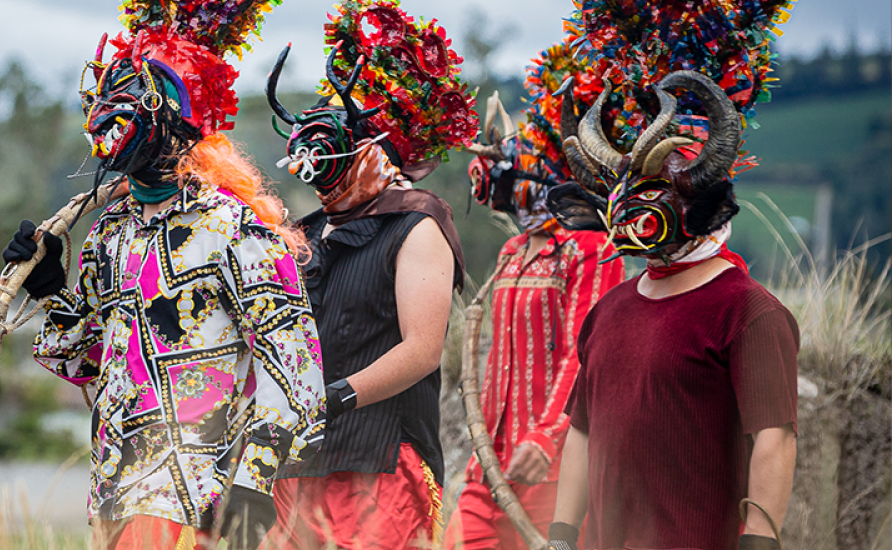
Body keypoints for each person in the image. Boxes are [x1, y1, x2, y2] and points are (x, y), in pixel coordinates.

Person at [1, 1, 324, 548]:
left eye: (132, 100)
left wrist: (256, 480)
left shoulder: (234, 229)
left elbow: (297, 368)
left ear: (177, 118)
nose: (109, 120)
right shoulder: (110, 232)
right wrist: (52, 290)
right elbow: (85, 360)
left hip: (196, 495)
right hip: (112, 490)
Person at [544, 3, 795, 548]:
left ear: (702, 205)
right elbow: (583, 432)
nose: (634, 210)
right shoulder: (609, 309)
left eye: (654, 189)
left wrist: (759, 540)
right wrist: (562, 535)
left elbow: (773, 437)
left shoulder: (749, 311)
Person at [259, 0, 476, 547]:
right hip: (301, 463)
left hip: (382, 462)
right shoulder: (304, 232)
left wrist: (333, 397)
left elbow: (422, 350)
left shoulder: (417, 222)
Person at [447, 66, 624, 550]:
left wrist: (547, 437)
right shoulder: (513, 250)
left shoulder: (588, 247)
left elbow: (583, 353)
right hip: (490, 459)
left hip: (553, 468)